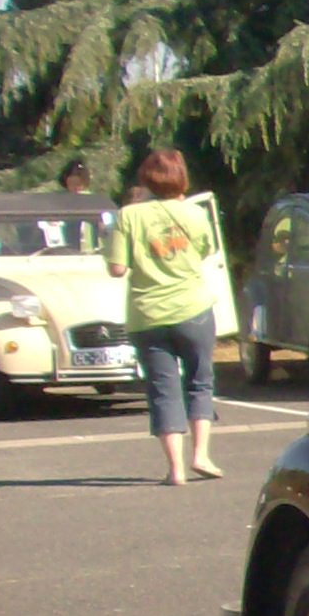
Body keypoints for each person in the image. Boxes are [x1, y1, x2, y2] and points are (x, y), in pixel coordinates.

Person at [103, 147, 224, 485]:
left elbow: (117, 268)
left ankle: (176, 469)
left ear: (147, 180)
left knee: (162, 388)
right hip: (194, 308)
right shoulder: (196, 214)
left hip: (148, 314)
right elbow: (206, 251)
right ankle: (201, 454)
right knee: (200, 381)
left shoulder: (129, 216)